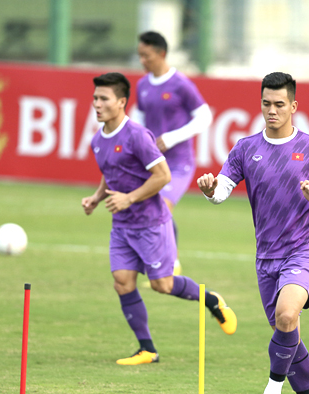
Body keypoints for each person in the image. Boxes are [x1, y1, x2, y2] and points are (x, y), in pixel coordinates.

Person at [196, 72, 309, 394]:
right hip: (267, 259)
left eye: (280, 104)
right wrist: (210, 189)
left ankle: (271, 393)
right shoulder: (246, 148)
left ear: (294, 106)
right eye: (266, 103)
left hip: (304, 251)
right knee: (287, 333)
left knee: (286, 315)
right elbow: (221, 191)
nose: (272, 110)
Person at [82, 72, 236, 366]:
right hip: (122, 227)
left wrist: (128, 198)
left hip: (151, 223)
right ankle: (147, 349)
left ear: (122, 102)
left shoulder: (138, 135)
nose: (97, 104)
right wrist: (96, 197)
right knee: (122, 282)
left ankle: (211, 300)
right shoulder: (98, 141)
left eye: (103, 98)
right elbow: (111, 171)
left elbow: (163, 175)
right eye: (95, 98)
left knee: (162, 285)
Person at [134, 31, 213, 276]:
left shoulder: (180, 84)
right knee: (151, 209)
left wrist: (171, 137)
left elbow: (205, 117)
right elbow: (138, 120)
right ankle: (167, 260)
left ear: (161, 54)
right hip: (153, 163)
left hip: (178, 164)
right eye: (140, 56)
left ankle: (169, 265)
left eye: (146, 56)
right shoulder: (143, 85)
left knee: (162, 208)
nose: (143, 61)